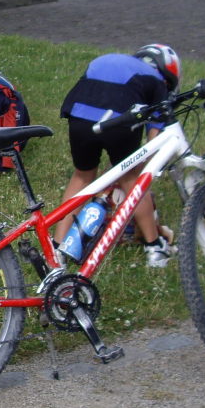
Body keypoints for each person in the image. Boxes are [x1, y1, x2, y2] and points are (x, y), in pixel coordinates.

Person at [54, 43, 181, 268]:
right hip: (118, 121)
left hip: (79, 116)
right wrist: (142, 167)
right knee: (133, 180)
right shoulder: (156, 81)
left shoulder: (116, 61)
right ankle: (154, 247)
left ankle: (57, 246)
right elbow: (155, 141)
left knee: (82, 175)